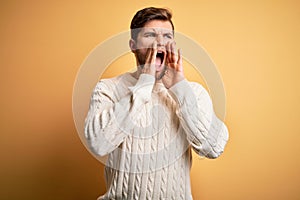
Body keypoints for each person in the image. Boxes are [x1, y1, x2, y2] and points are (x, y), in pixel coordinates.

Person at [84, 7, 229, 200]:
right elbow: (98, 144)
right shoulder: (108, 89)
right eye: (150, 35)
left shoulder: (192, 92)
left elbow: (214, 148)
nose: (160, 42)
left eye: (167, 36)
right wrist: (144, 83)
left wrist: (179, 88)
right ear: (133, 45)